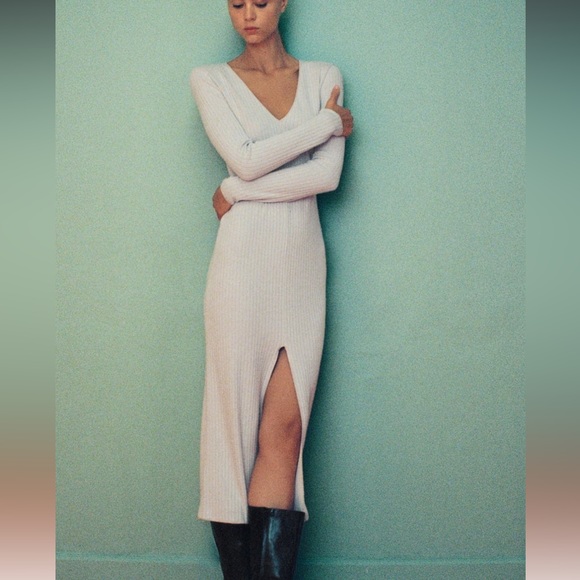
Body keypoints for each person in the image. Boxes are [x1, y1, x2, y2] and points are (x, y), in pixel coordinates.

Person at [189, 1, 353, 578]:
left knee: (285, 430)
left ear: (283, 1)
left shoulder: (324, 76)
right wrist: (325, 125)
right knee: (230, 437)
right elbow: (245, 158)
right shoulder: (209, 79)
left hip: (301, 270)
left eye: (260, 1)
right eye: (236, 3)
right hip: (239, 270)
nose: (248, 14)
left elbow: (325, 176)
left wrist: (236, 191)